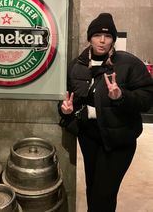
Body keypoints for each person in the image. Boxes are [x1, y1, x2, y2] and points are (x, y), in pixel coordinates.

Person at [58, 13, 153, 212]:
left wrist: (121, 96)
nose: (102, 41)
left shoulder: (129, 64)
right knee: (93, 189)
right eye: (97, 36)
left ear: (113, 40)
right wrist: (66, 111)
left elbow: (147, 99)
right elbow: (69, 98)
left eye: (108, 36)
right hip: (90, 138)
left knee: (103, 194)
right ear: (89, 37)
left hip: (119, 139)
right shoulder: (77, 65)